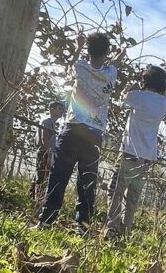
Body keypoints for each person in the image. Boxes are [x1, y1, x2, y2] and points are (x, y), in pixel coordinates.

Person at [40, 32, 117, 229]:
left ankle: (47, 220)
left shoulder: (80, 67)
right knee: (87, 182)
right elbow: (113, 63)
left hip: (73, 128)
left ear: (88, 51)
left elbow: (69, 67)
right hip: (95, 134)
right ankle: (82, 226)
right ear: (106, 52)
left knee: (59, 176)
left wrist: (78, 46)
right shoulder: (111, 73)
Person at [104, 65, 166, 238]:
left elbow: (121, 102)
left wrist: (127, 90)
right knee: (133, 196)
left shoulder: (137, 96)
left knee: (115, 191)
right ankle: (126, 231)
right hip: (147, 155)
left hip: (129, 151)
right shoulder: (164, 103)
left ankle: (112, 229)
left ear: (145, 79)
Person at [31, 100, 66, 202]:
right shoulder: (47, 122)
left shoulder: (51, 123)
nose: (62, 111)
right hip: (45, 152)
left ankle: (34, 198)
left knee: (40, 175)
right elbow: (44, 138)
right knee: (42, 177)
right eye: (59, 108)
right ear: (52, 109)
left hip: (46, 152)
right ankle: (38, 199)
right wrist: (49, 154)